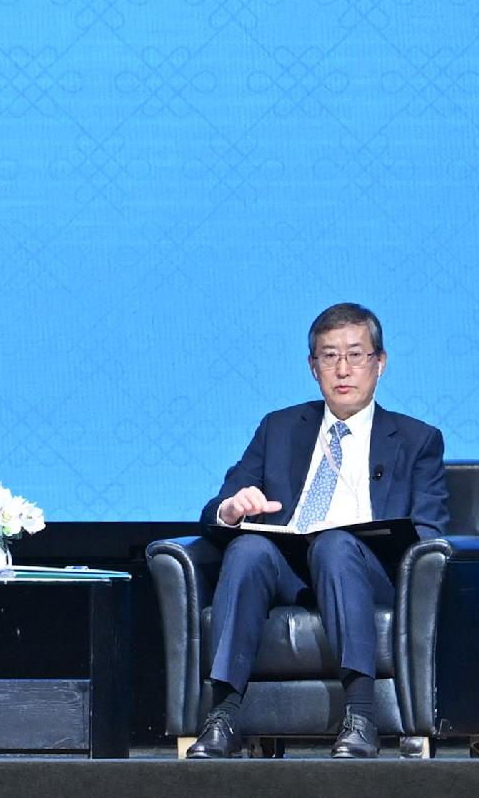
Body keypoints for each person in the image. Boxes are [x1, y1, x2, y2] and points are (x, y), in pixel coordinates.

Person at [191, 302, 449, 760]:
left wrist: (368, 538)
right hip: (288, 569)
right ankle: (224, 716)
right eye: (329, 357)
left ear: (380, 363)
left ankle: (362, 716)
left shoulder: (417, 439)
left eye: (356, 355)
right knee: (248, 548)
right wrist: (232, 510)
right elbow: (217, 509)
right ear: (313, 368)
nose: (343, 369)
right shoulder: (279, 427)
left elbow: (429, 531)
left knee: (334, 544)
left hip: (367, 573)